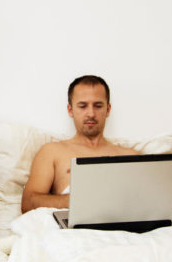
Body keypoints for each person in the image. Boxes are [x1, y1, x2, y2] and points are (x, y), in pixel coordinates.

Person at [21, 75, 138, 213]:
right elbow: (28, 203)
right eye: (82, 106)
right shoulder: (52, 152)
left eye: (98, 106)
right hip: (76, 231)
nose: (91, 113)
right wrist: (76, 200)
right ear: (70, 110)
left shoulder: (130, 156)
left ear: (108, 110)